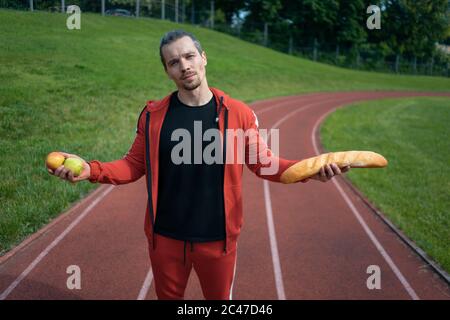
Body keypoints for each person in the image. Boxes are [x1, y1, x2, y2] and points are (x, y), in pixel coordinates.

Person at [48, 30, 350, 300]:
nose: (184, 66)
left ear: (203, 58)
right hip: (164, 238)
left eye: (189, 56)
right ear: (167, 71)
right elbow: (133, 165)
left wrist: (312, 170)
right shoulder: (153, 116)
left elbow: (264, 164)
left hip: (217, 239)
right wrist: (91, 170)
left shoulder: (238, 114)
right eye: (174, 62)